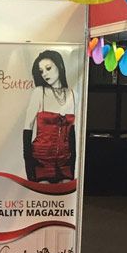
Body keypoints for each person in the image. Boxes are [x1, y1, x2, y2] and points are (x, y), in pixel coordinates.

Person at [22, 50, 76, 183]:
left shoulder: (72, 94)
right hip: (41, 160)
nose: (44, 74)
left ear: (60, 66)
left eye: (48, 68)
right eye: (41, 71)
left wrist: (73, 161)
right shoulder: (39, 92)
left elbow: (72, 133)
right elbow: (27, 128)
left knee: (66, 194)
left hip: (65, 160)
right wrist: (29, 164)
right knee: (42, 193)